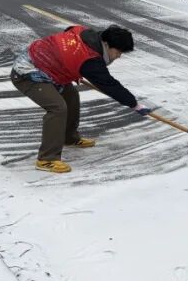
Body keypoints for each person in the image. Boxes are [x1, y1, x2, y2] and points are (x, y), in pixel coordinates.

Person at [11, 25, 151, 174]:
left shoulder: (86, 33)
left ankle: (69, 138)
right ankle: (47, 159)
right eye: (118, 52)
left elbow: (70, 30)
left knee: (71, 97)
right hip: (27, 72)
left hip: (50, 68)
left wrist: (71, 65)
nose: (119, 56)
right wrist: (134, 104)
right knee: (58, 108)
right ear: (107, 44)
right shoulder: (90, 61)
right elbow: (110, 85)